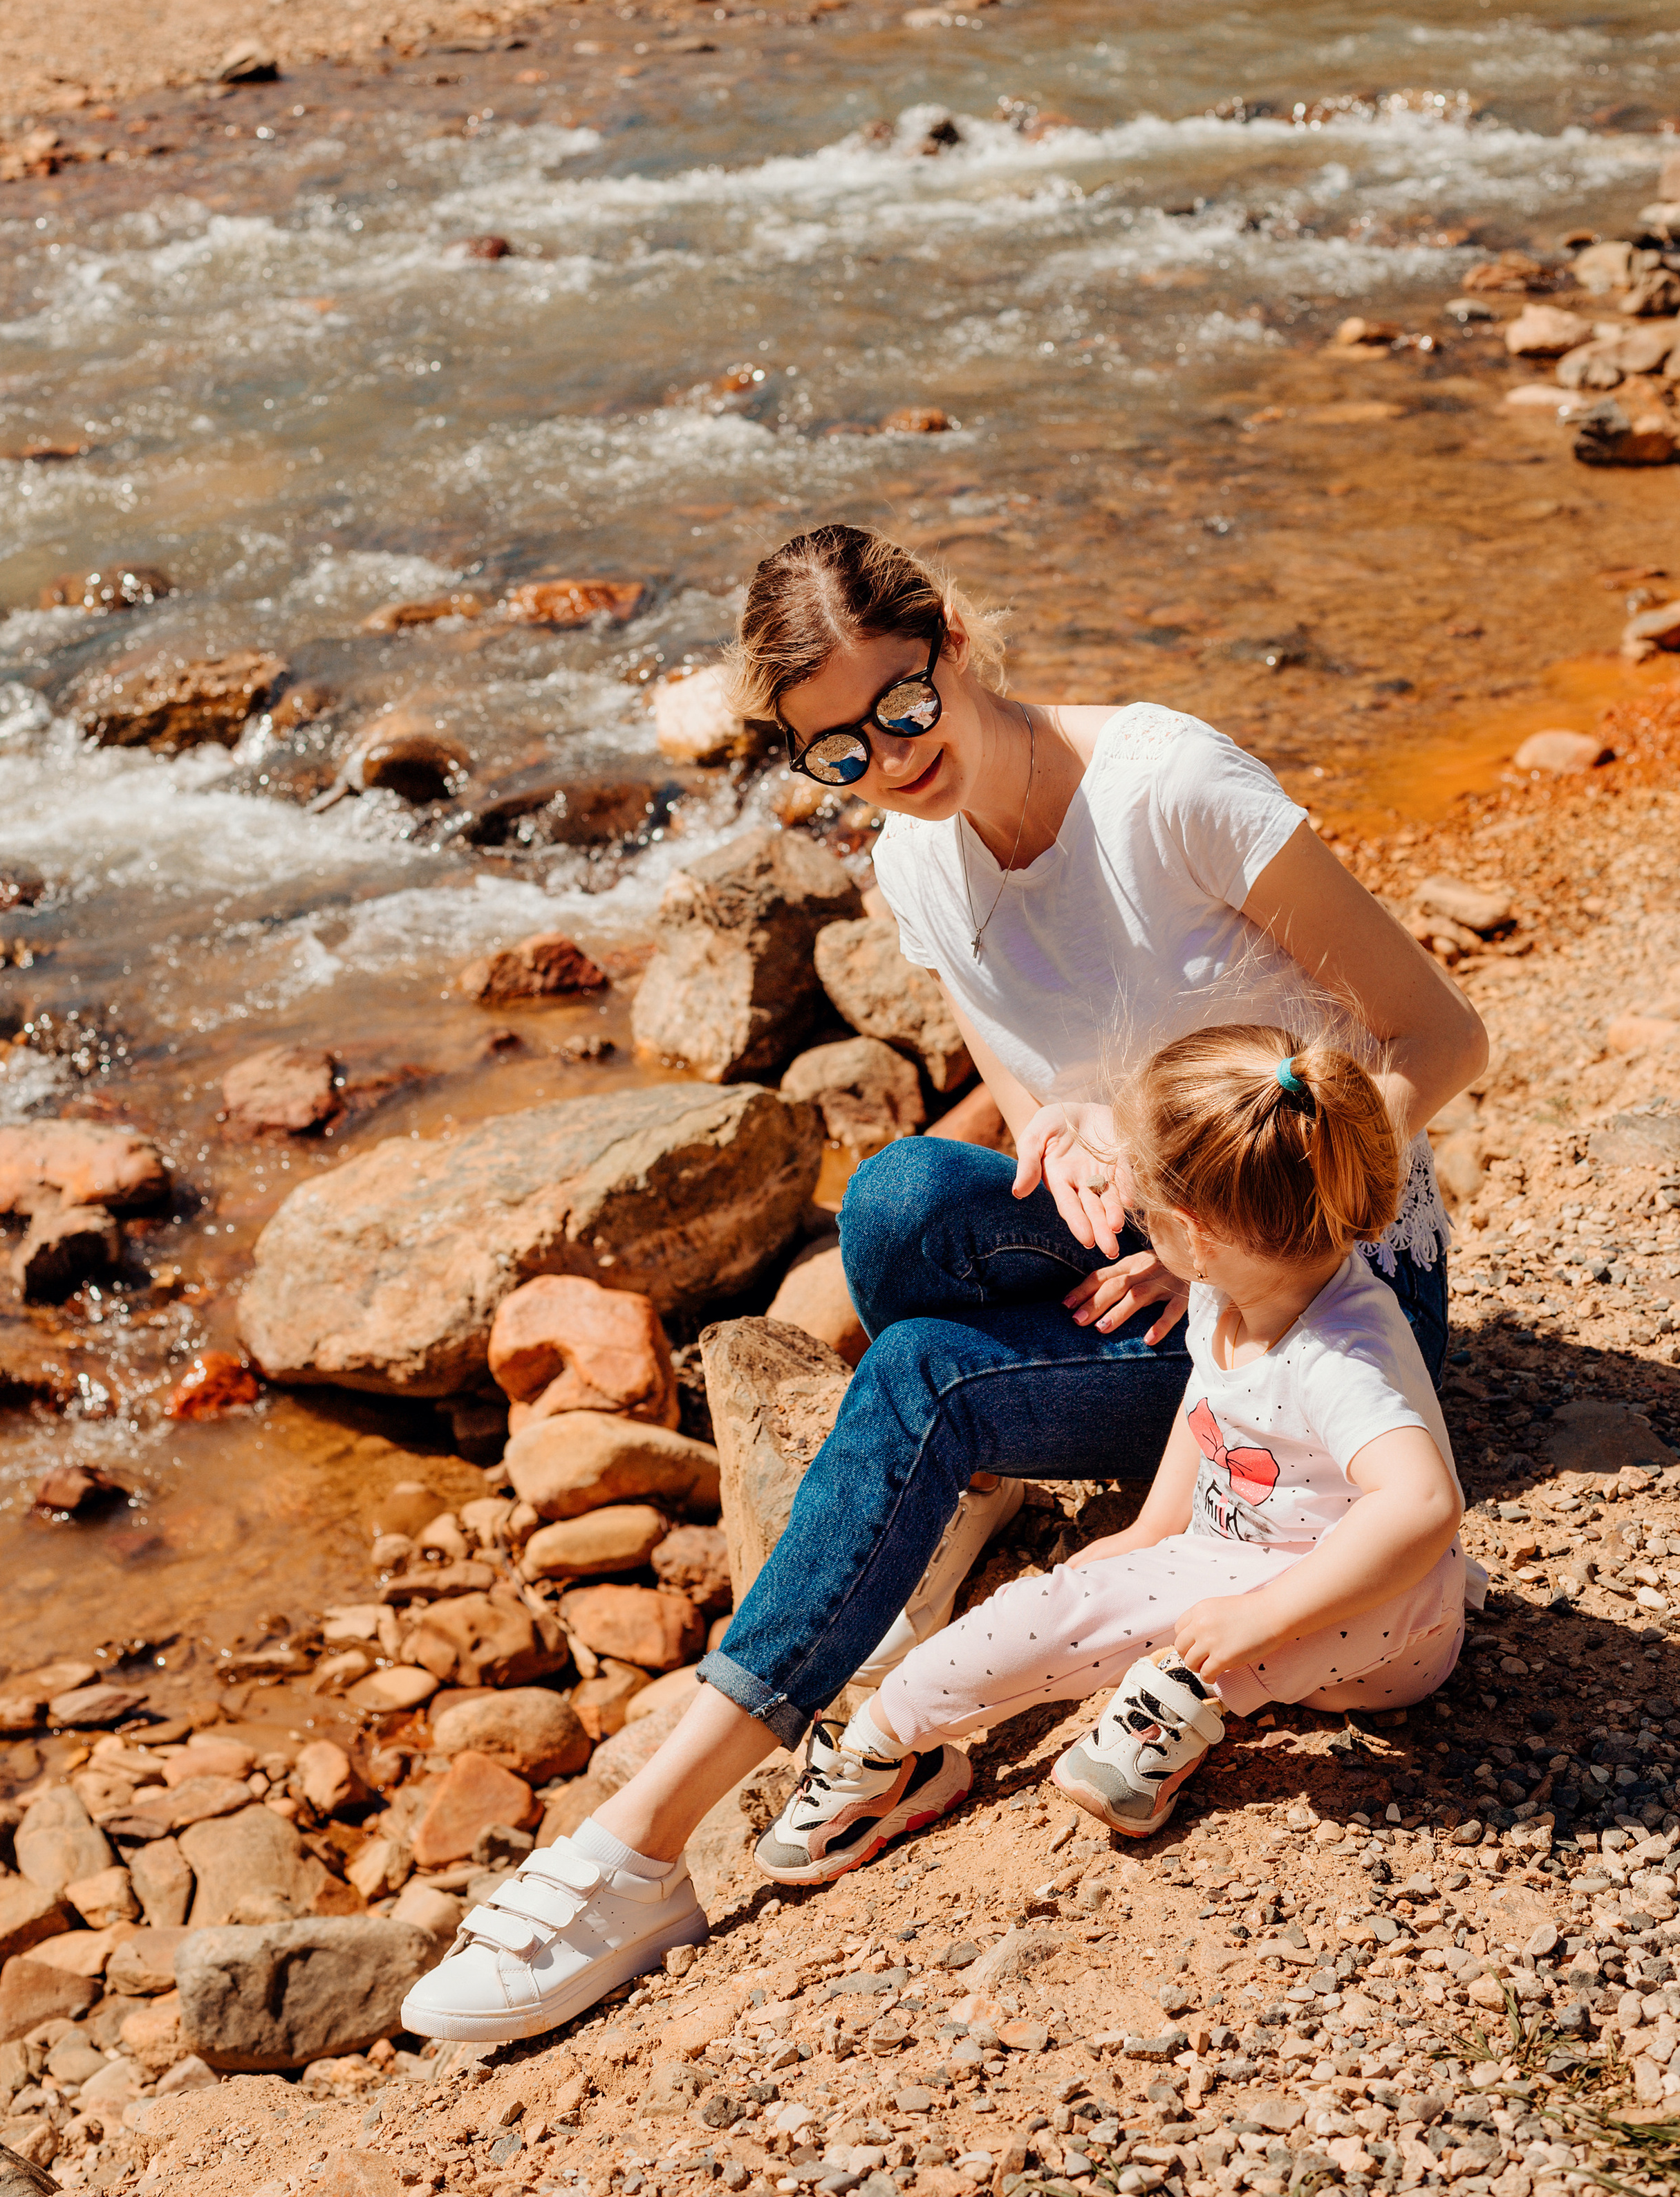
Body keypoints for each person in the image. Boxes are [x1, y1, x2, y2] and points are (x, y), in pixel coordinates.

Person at [400, 528, 1487, 2045]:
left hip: (1323, 1262)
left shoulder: (1168, 791)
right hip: (1174, 1238)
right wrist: (1058, 1130)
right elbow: (1024, 1071)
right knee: (904, 1202)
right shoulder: (911, 852)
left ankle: (635, 1847)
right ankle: (950, 1484)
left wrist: (1243, 1269)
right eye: (833, 747)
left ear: (957, 646)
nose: (883, 759)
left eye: (901, 710)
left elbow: (1439, 1039)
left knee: (914, 1369)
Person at [758, 1024, 1467, 1875]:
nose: (1130, 1220)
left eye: (1140, 1211)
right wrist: (1149, 1531)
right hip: (1226, 1564)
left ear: (1195, 1233)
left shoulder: (1342, 1353)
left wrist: (1267, 1615)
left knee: (1422, 1567)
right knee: (1047, 1609)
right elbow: (1206, 1409)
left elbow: (1421, 1505)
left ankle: (1180, 1701)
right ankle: (889, 1739)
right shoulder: (1226, 1289)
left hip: (1370, 1636)